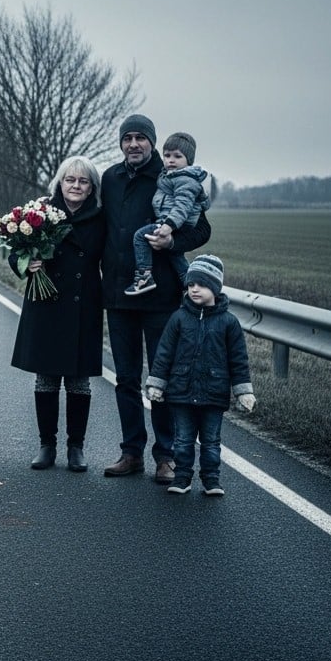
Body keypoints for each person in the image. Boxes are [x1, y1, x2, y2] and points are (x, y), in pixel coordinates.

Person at [100, 114, 213, 484]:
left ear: (152, 143)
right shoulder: (110, 179)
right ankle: (131, 453)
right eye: (128, 138)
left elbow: (201, 229)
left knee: (161, 379)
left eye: (141, 139)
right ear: (121, 143)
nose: (134, 144)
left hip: (161, 299)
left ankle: (166, 457)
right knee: (126, 380)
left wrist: (172, 242)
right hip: (119, 296)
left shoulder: (168, 175)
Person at [10, 156, 106, 472]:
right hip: (47, 302)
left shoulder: (101, 216)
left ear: (91, 187)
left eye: (83, 181)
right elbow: (16, 252)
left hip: (84, 304)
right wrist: (28, 264)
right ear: (60, 182)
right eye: (70, 180)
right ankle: (46, 445)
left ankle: (75, 448)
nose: (76, 186)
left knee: (79, 381)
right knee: (47, 378)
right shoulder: (41, 213)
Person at [145, 255, 255, 495]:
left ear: (215, 288)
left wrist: (243, 391)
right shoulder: (178, 318)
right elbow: (164, 354)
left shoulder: (229, 323)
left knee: (211, 442)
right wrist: (157, 384)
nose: (194, 289)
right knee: (183, 441)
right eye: (191, 284)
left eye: (202, 285)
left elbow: (238, 360)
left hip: (214, 393)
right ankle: (182, 477)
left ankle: (212, 479)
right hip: (181, 392)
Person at [125, 132, 210, 295]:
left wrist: (169, 226)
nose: (171, 160)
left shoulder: (185, 180)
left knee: (140, 237)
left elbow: (182, 206)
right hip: (171, 222)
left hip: (171, 223)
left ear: (188, 160)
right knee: (176, 256)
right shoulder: (168, 176)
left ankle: (144, 276)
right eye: (167, 155)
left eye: (178, 156)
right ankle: (189, 283)